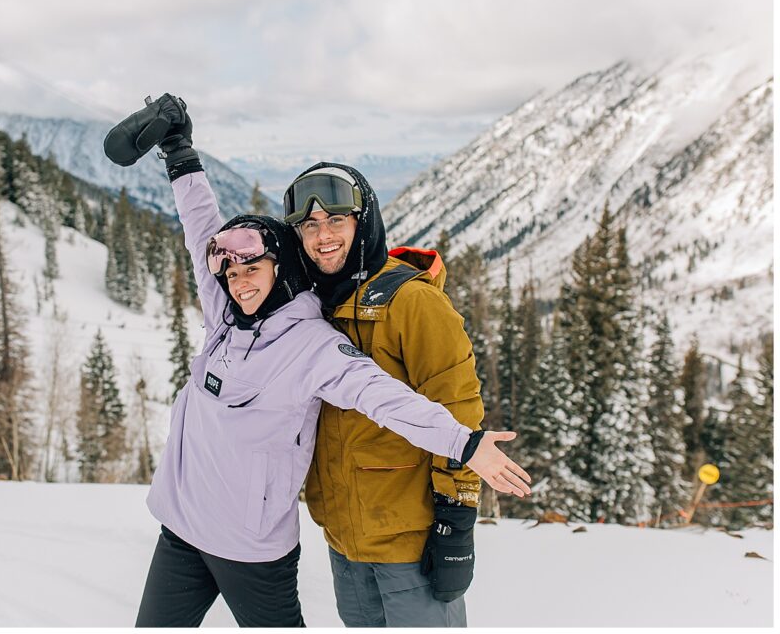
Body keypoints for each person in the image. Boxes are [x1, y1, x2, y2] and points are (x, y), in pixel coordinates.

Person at [104, 94, 531, 628]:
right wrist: (179, 153)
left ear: (280, 264)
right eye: (230, 272)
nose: (239, 281)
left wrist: (464, 452)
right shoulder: (228, 312)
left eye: (252, 267)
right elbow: (199, 230)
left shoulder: (317, 340)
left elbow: (385, 396)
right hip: (213, 530)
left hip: (282, 544)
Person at [283, 161, 493, 627]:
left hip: (409, 544)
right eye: (310, 226)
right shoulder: (315, 304)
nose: (323, 236)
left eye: (336, 220)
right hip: (345, 540)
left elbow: (459, 415)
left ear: (364, 221)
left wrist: (455, 524)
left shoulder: (413, 303)